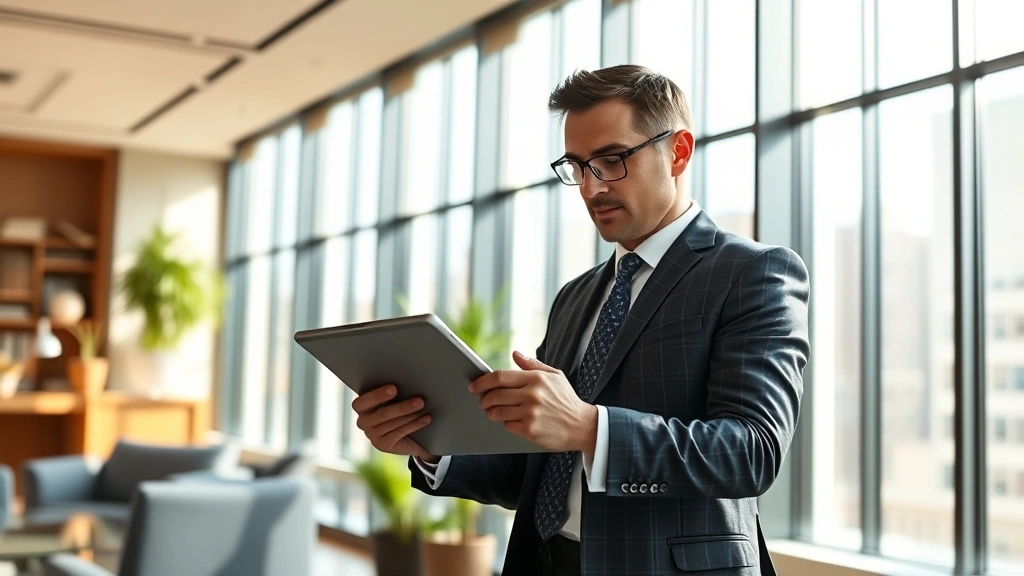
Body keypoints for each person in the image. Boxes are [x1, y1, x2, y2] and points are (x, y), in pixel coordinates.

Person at [352, 64, 809, 576]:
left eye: (612, 161)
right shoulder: (577, 296)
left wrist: (592, 429)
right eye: (577, 165)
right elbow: (536, 467)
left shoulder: (751, 273)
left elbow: (753, 452)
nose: (591, 188)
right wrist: (432, 447)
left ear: (678, 151)